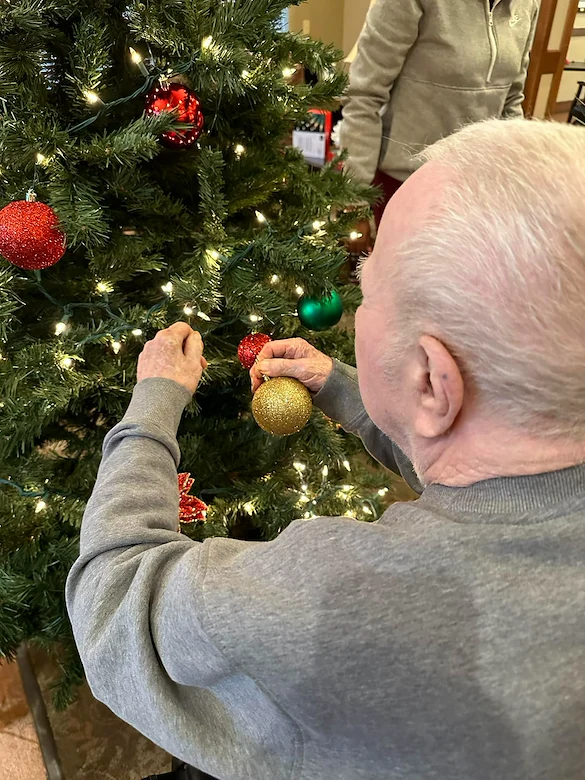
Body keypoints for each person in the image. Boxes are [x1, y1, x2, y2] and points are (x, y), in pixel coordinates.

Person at [66, 118, 585, 780]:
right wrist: (341, 387)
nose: (357, 312)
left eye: (367, 293)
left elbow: (113, 606)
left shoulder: (341, 604)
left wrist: (154, 402)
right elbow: (495, 474)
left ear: (429, 381)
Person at [341, 0, 540, 226]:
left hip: (475, 188)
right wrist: (355, 199)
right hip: (406, 185)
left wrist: (515, 181)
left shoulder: (528, 4)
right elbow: (364, 96)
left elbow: (511, 100)